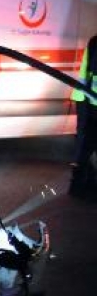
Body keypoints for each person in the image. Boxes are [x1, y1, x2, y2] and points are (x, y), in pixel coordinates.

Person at [69, 35, 97, 199]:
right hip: (91, 102)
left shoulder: (94, 40)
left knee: (84, 145)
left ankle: (79, 185)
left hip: (86, 99)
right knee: (86, 144)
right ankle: (81, 186)